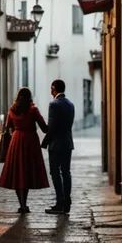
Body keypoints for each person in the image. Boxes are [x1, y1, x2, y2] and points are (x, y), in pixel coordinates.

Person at [0, 87, 49, 212]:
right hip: (30, 142)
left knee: (18, 172)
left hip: (16, 141)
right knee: (27, 172)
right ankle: (24, 204)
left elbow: (8, 127)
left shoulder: (12, 110)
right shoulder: (33, 110)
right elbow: (44, 127)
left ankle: (22, 204)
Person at [42, 79, 75, 214]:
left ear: (54, 88)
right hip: (67, 143)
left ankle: (59, 203)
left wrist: (44, 142)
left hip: (56, 144)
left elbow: (52, 127)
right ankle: (67, 202)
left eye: (51, 89)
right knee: (66, 173)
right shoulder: (70, 104)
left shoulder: (54, 105)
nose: (50, 92)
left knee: (55, 173)